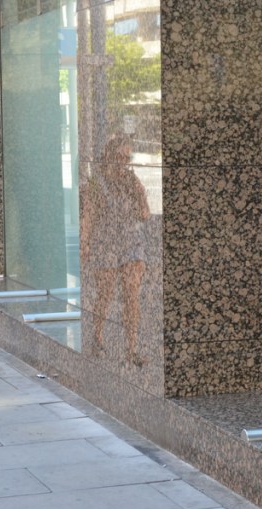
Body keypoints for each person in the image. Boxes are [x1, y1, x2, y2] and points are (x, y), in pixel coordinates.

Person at [80, 134, 151, 367]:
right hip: (105, 242)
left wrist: (141, 195)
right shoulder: (97, 182)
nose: (124, 161)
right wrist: (85, 241)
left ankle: (132, 348)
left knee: (131, 294)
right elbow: (89, 214)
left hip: (131, 242)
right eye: (120, 156)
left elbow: (145, 214)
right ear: (109, 156)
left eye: (127, 157)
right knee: (106, 293)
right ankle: (97, 336)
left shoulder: (132, 180)